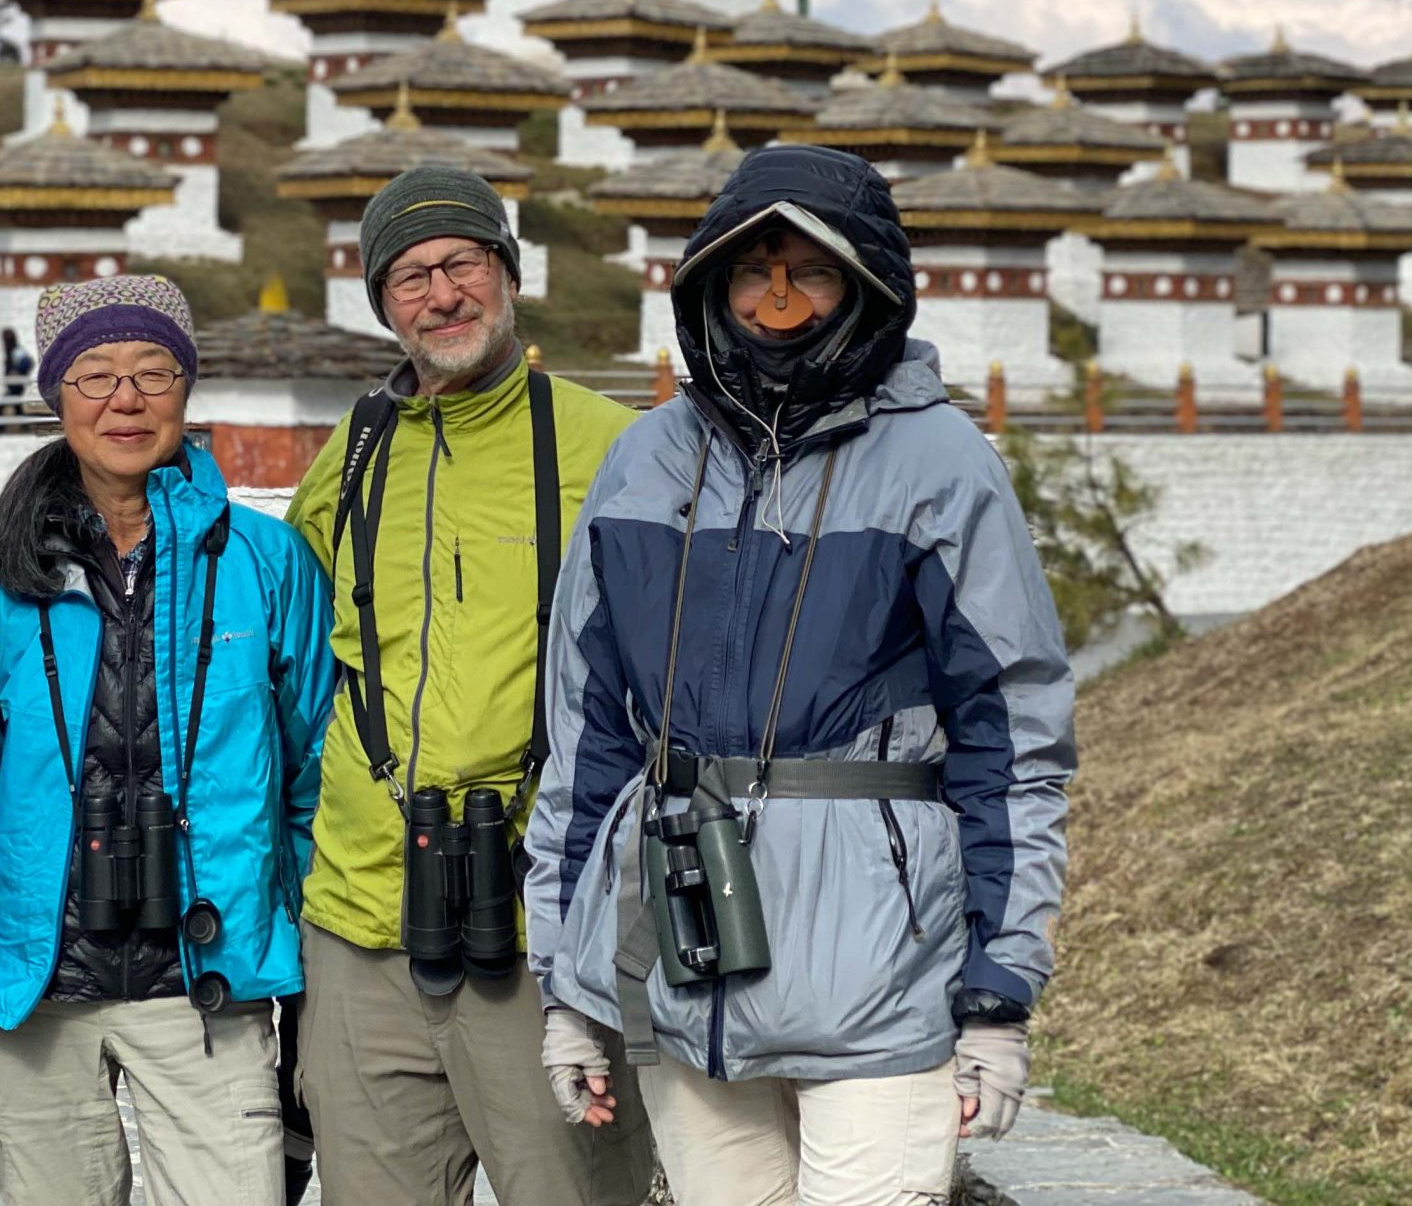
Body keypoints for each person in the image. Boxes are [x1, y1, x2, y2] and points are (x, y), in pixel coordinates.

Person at [523, 145, 1076, 1206]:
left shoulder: (941, 464)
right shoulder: (644, 464)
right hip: (686, 951)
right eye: (750, 272)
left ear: (864, 288)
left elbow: (1011, 740)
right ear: (708, 288)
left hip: (878, 963)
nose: (776, 300)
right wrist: (572, 980)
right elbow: (588, 737)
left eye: (809, 272)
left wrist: (998, 993)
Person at [0, 275, 336, 1206]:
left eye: (153, 372)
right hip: (37, 988)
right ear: (55, 395)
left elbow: (312, 790)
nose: (125, 400)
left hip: (208, 982)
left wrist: (308, 993)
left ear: (187, 390)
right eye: (94, 375)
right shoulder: (5, 580)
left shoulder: (266, 564)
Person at [283, 166, 656, 1206]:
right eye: (408, 277)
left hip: (542, 926)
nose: (440, 296)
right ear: (380, 301)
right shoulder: (350, 457)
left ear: (508, 271)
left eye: (460, 264)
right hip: (361, 924)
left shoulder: (612, 450)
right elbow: (291, 658)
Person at [0, 324, 37, 421]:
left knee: (0, 407)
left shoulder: (17, 351)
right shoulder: (11, 351)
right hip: (13, 386)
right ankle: (23, 428)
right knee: (18, 409)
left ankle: (0, 431)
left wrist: (17, 372)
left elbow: (28, 362)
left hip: (16, 386)